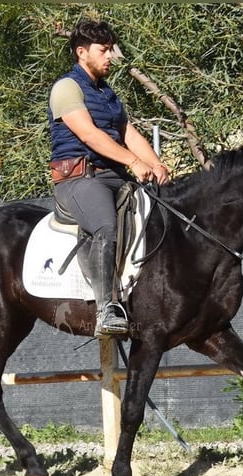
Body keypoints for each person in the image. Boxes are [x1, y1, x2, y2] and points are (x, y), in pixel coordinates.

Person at [49, 19, 170, 337]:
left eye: (111, 50)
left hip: (114, 177)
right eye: (103, 50)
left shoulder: (108, 94)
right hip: (79, 180)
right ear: (81, 52)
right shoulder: (66, 88)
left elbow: (128, 133)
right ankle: (107, 310)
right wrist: (133, 162)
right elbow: (88, 134)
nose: (110, 57)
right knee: (105, 226)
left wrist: (156, 164)